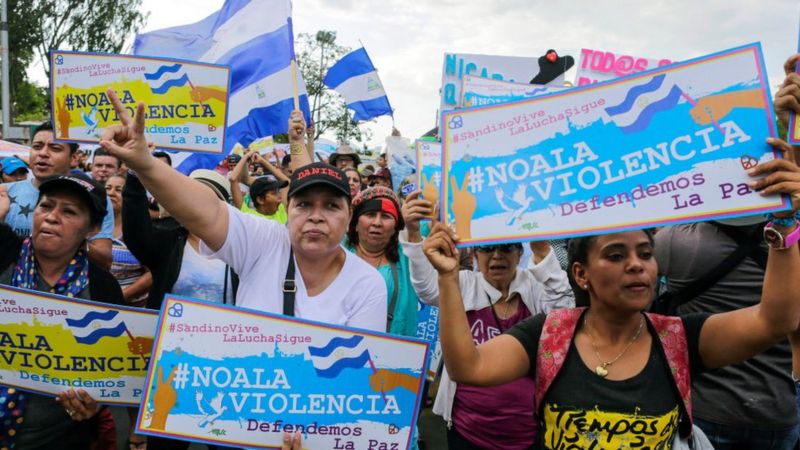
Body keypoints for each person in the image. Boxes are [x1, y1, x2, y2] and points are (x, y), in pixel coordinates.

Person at [424, 136, 800, 449]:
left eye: (646, 254)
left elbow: (775, 320)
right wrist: (447, 276)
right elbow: (467, 367)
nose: (636, 265)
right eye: (616, 255)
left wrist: (785, 224)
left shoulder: (679, 339)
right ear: (581, 274)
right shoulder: (548, 335)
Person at [99, 89, 386, 330]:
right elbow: (208, 210)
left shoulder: (366, 284)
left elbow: (358, 378)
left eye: (332, 206)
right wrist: (145, 163)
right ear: (289, 209)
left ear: (350, 216)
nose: (316, 215)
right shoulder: (263, 242)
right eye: (304, 204)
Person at [401, 192, 573, 450]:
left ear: (519, 252)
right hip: (468, 428)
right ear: (474, 254)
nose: (496, 257)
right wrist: (414, 233)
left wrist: (542, 249)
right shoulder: (462, 283)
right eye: (487, 249)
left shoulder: (534, 284)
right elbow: (426, 289)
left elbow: (565, 312)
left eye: (506, 248)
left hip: (527, 430)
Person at [0, 173, 124, 450]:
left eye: (68, 212)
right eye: (45, 206)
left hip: (61, 438)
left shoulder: (103, 288)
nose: (52, 217)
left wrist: (95, 402)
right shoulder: (3, 253)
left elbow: (112, 369)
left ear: (92, 228)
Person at [0, 122, 114, 270]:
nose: (43, 153)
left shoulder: (94, 198)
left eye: (55, 148)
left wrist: (70, 238)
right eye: (37, 146)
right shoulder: (3, 193)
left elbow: (104, 261)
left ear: (73, 158)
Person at [105, 174, 151, 308]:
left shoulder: (138, 230)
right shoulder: (90, 226)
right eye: (107, 188)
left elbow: (152, 274)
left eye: (118, 190)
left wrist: (119, 298)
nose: (111, 193)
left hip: (130, 310)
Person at [229, 151, 289, 223]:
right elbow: (233, 179)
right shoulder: (248, 216)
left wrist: (262, 161)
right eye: (274, 193)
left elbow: (288, 183)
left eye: (278, 192)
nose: (280, 197)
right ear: (260, 200)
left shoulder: (281, 210)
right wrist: (246, 156)